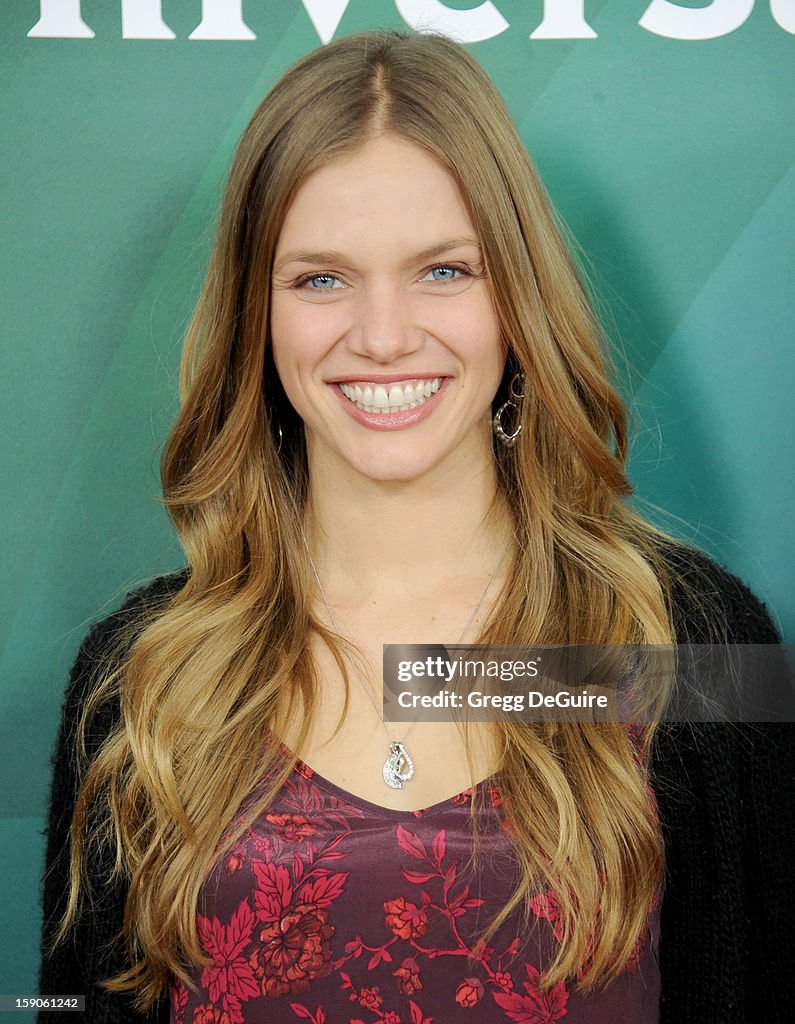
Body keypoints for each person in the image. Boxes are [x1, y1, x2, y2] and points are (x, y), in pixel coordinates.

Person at [37, 29, 793, 1024]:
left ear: (515, 294)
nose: (384, 333)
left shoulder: (698, 646)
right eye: (320, 278)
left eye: (443, 270)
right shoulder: (137, 679)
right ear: (255, 318)